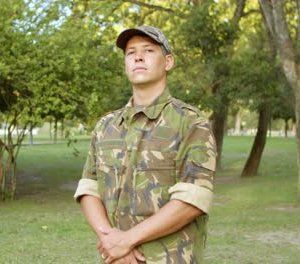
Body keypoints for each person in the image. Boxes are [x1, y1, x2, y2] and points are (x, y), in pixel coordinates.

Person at [74, 25, 217, 264]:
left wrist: (126, 240)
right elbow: (89, 190)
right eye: (131, 53)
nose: (138, 56)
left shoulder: (191, 123)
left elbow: (192, 200)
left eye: (148, 50)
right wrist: (111, 241)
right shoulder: (106, 125)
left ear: (168, 62)